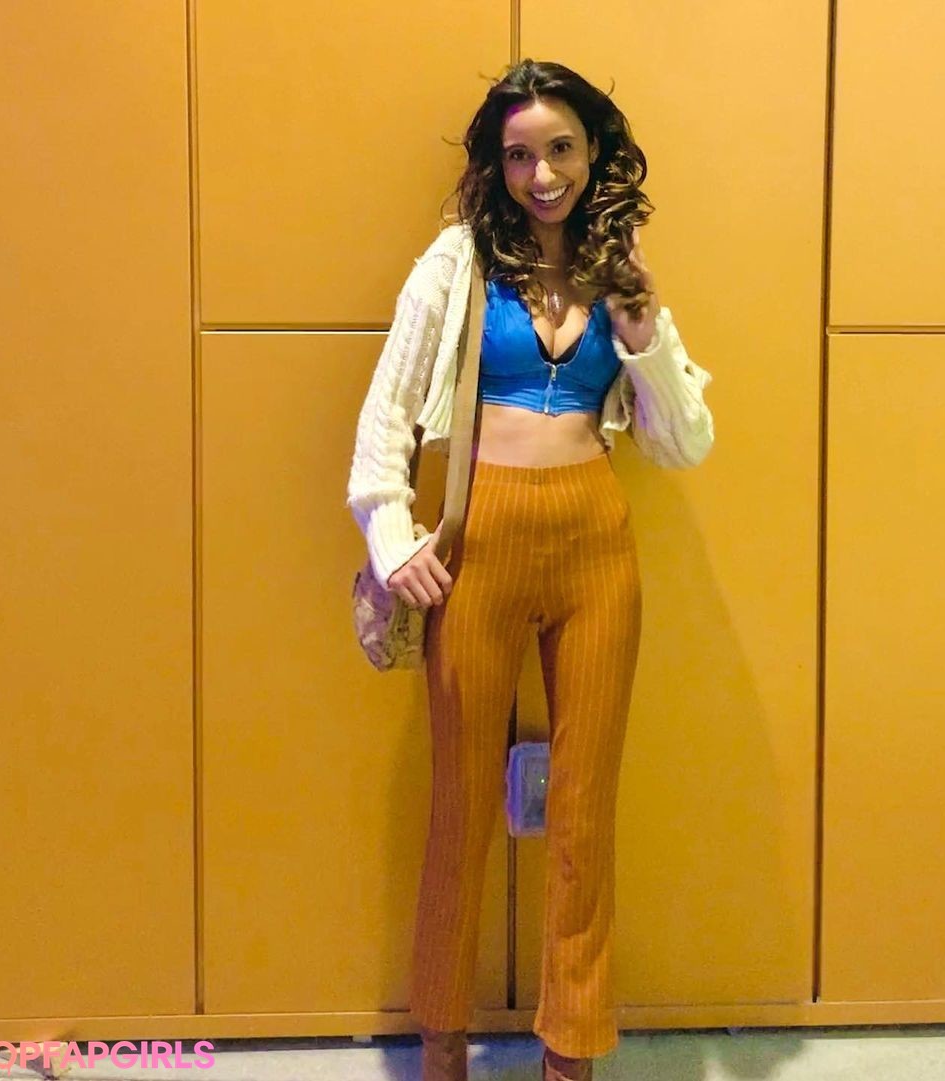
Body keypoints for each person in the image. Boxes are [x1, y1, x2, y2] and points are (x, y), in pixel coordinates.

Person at [346, 59, 715, 1081]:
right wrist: (393, 540)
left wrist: (641, 337)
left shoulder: (618, 270)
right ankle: (443, 1041)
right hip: (484, 540)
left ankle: (573, 1050)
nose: (542, 174)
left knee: (584, 813)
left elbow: (683, 442)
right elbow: (385, 417)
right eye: (519, 155)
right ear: (495, 163)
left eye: (560, 149)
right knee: (460, 804)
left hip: (597, 541)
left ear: (594, 153)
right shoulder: (457, 260)